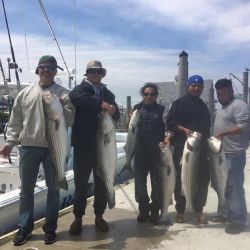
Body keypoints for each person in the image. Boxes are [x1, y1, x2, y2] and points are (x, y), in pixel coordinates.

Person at [0, 55, 75, 246]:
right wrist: (9, 143)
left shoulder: (64, 93)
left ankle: (50, 228)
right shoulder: (25, 94)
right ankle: (24, 228)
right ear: (37, 70)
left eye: (50, 67)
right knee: (26, 191)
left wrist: (64, 104)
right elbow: (15, 122)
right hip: (28, 147)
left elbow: (71, 119)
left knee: (54, 189)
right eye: (43, 67)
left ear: (55, 71)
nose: (46, 70)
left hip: (54, 148)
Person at [68, 60, 120, 235]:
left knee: (102, 183)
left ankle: (99, 216)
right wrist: (101, 104)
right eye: (93, 71)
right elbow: (75, 98)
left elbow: (118, 114)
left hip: (103, 146)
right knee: (81, 184)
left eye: (99, 72)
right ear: (87, 73)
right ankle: (78, 218)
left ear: (103, 74)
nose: (96, 74)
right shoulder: (80, 89)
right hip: (83, 146)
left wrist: (113, 109)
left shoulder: (108, 92)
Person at [164, 75, 211, 224]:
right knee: (181, 180)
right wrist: (183, 129)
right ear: (188, 87)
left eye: (199, 86)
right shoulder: (178, 104)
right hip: (182, 149)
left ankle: (198, 210)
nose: (196, 88)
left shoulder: (204, 107)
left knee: (203, 180)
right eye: (193, 86)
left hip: (201, 150)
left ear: (202, 88)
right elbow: (170, 122)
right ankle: (180, 210)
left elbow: (207, 130)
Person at [212, 78, 249, 234]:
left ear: (231, 91)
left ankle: (239, 219)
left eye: (224, 93)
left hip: (234, 154)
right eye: (218, 94)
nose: (221, 96)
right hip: (222, 154)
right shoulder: (221, 108)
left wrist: (222, 133)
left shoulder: (239, 105)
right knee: (224, 186)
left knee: (234, 188)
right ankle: (226, 213)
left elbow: (244, 125)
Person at [132, 83, 165, 223]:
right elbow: (131, 129)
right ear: (142, 95)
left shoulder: (163, 110)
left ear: (156, 95)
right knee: (140, 185)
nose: (149, 96)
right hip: (140, 153)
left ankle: (155, 210)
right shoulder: (137, 109)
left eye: (152, 94)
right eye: (146, 94)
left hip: (157, 154)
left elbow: (168, 128)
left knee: (157, 184)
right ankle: (144, 209)